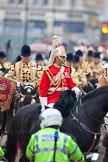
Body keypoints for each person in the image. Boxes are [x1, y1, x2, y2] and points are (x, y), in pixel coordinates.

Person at [39, 35, 82, 110]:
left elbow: (70, 84)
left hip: (66, 100)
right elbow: (43, 89)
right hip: (53, 101)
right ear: (57, 58)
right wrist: (44, 106)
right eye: (62, 57)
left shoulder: (65, 69)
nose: (64, 59)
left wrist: (76, 89)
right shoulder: (48, 71)